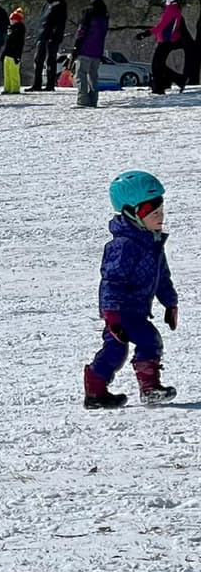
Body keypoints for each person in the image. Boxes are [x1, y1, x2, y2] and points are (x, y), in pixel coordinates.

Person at [84, 171, 178, 409]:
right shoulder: (124, 246)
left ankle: (98, 391)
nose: (161, 218)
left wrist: (170, 303)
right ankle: (146, 389)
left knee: (119, 349)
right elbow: (111, 281)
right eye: (154, 214)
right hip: (121, 312)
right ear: (132, 214)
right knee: (144, 342)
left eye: (161, 211)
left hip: (135, 311)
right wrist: (111, 315)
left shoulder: (152, 242)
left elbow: (161, 277)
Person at [139, 0, 191, 95]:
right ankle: (168, 83)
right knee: (159, 64)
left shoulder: (170, 11)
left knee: (157, 65)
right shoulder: (175, 9)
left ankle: (164, 86)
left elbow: (161, 26)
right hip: (169, 40)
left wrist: (146, 33)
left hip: (166, 41)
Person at [72, 0, 110, 108]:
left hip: (85, 49)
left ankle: (82, 100)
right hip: (97, 50)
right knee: (93, 76)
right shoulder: (105, 14)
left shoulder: (87, 12)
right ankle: (93, 100)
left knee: (81, 74)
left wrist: (76, 46)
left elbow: (81, 31)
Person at [27, 0, 67, 92]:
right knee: (38, 59)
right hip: (42, 34)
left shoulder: (60, 4)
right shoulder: (47, 3)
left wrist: (55, 35)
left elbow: (60, 22)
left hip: (52, 36)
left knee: (51, 59)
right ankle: (37, 84)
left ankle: (50, 84)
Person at [3, 7, 27, 94]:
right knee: (7, 73)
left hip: (14, 55)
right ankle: (7, 87)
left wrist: (17, 55)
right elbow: (7, 43)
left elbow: (18, 43)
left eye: (13, 19)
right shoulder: (10, 29)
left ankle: (15, 88)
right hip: (8, 54)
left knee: (13, 73)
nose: (11, 21)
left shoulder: (19, 29)